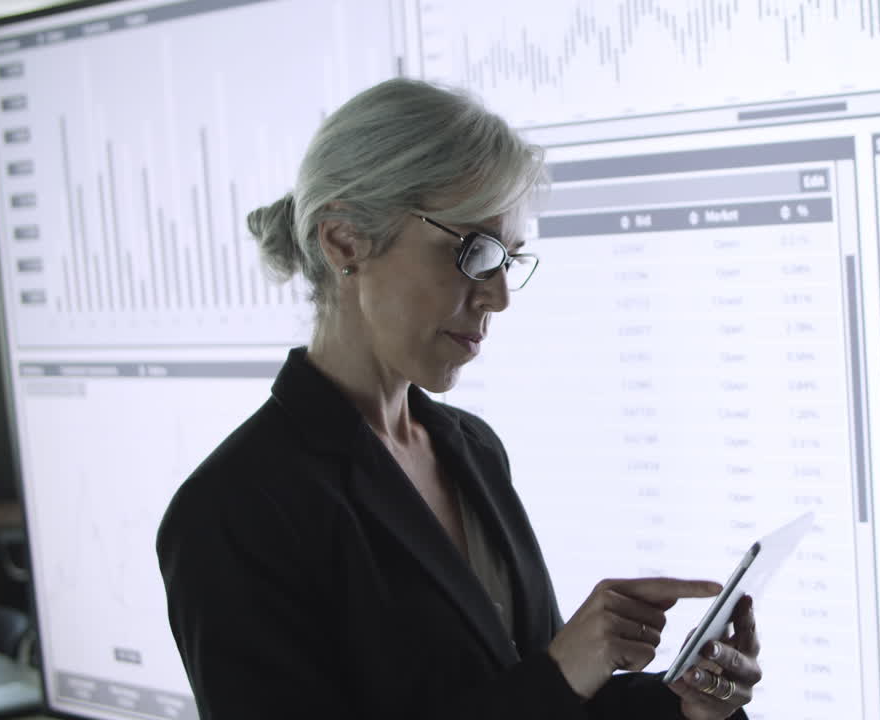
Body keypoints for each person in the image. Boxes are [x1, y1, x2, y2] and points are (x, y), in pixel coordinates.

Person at [156, 77, 763, 720]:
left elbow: (530, 699)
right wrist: (562, 672)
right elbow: (541, 690)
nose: (498, 297)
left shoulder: (469, 447)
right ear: (344, 241)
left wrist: (685, 706)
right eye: (473, 250)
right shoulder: (232, 510)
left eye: (508, 259)